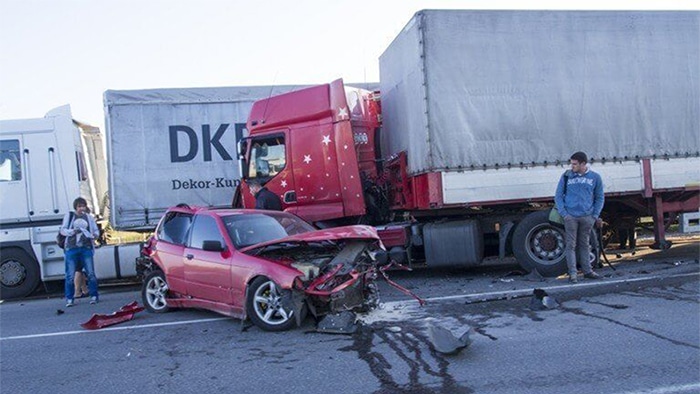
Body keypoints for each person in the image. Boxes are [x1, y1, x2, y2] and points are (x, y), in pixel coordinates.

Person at [554, 151, 605, 283]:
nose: (572, 166)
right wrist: (564, 214)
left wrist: (594, 215)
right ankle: (573, 273)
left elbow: (599, 197)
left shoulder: (595, 177)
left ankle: (587, 271)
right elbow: (558, 195)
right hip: (570, 216)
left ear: (583, 164)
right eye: (571, 164)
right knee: (571, 245)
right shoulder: (566, 176)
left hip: (587, 216)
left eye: (575, 164)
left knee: (585, 244)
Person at [60, 197, 100, 306]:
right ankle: (69, 298)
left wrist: (95, 235)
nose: (81, 209)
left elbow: (95, 230)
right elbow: (62, 230)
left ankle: (94, 295)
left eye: (83, 206)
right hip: (71, 248)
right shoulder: (70, 216)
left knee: (90, 273)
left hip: (85, 247)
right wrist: (72, 231)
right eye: (79, 206)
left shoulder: (89, 218)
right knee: (70, 274)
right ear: (75, 207)